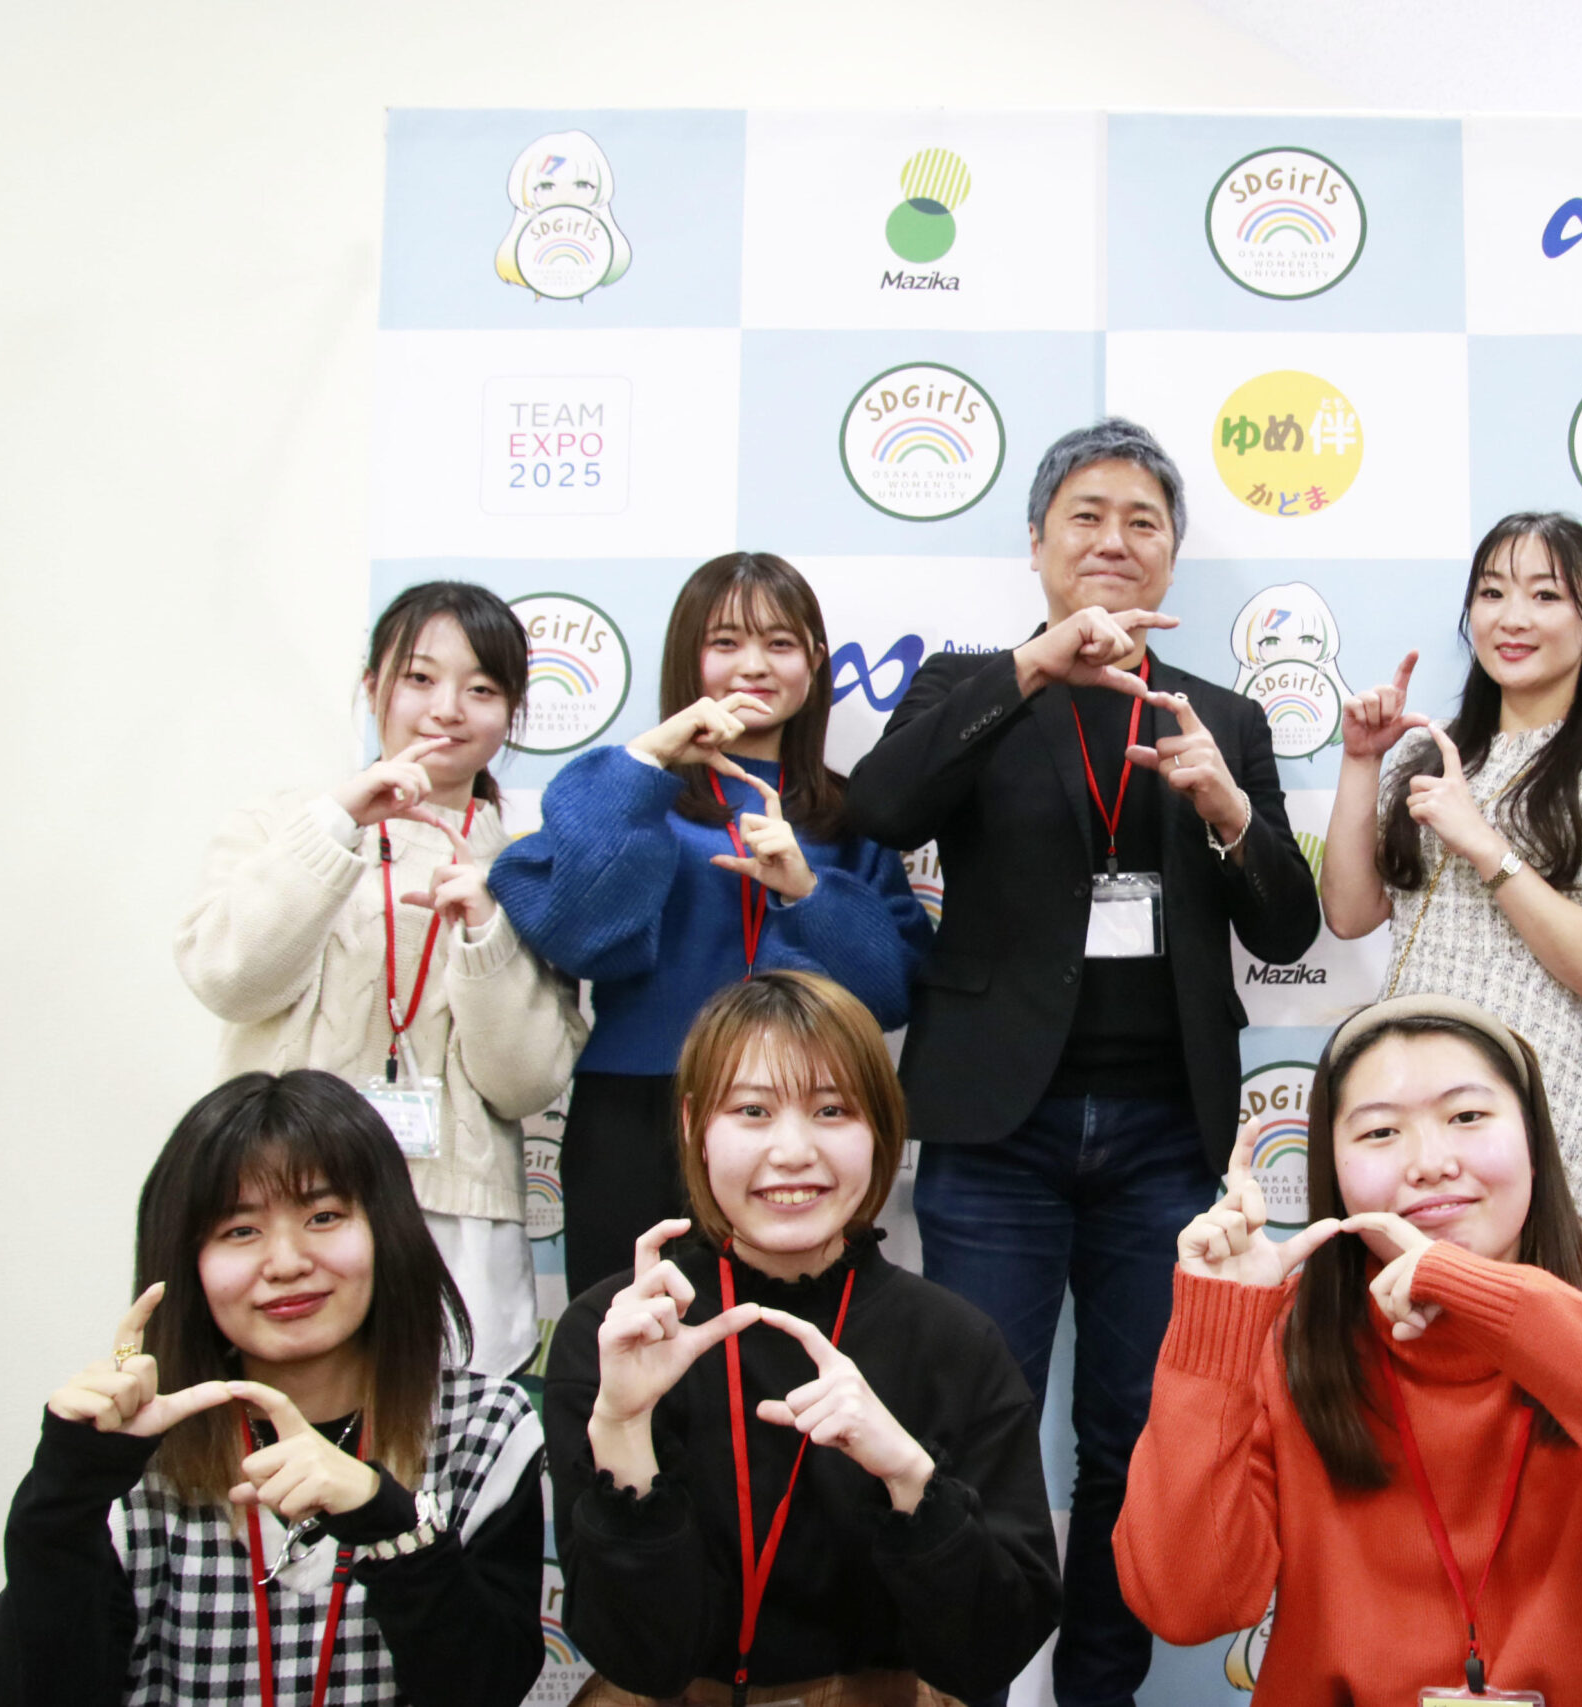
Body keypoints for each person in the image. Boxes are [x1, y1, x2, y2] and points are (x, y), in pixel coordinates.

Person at [841, 418, 1320, 1707]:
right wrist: (1028, 673)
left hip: (1165, 1135)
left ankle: (1100, 1694)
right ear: (1038, 543)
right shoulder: (967, 687)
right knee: (971, 1434)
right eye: (1086, 517)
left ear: (1170, 551)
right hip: (999, 1132)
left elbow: (1286, 928)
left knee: (1130, 1440)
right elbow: (878, 810)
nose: (1114, 540)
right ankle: (971, 1688)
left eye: (1141, 521)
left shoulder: (1222, 714)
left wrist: (1227, 810)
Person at [1113, 993, 1582, 1703]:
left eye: (1467, 1117)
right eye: (1380, 1131)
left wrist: (1492, 1299)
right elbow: (1186, 1603)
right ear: (1332, 1171)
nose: (1430, 1162)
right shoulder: (1293, 1333)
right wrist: (1216, 1329)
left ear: (1534, 1143)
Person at [543, 971, 1059, 1706]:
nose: (792, 1151)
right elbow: (641, 1660)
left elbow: (991, 1653)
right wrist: (623, 1428)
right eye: (752, 1110)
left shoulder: (955, 1343)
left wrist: (911, 1478)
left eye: (831, 1110)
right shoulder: (618, 1332)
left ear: (881, 1127)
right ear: (693, 1124)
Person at [0, 1070, 546, 1707]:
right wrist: (65, 1495)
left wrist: (389, 1522)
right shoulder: (128, 1448)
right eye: (240, 1231)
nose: (287, 1263)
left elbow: (486, 1690)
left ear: (387, 1231)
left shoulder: (485, 1429)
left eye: (324, 1216)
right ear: (187, 1261)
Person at [492, 552, 933, 1296]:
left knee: (789, 1338)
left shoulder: (850, 814)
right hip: (640, 1109)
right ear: (686, 658)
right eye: (726, 642)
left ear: (815, 661)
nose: (753, 666)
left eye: (780, 643)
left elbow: (890, 992)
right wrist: (648, 761)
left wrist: (806, 890)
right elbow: (578, 932)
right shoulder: (632, 788)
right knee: (631, 1330)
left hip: (801, 1113)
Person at [175, 580, 585, 1375]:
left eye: (482, 689)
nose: (446, 709)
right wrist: (338, 826)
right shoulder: (282, 824)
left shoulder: (529, 870)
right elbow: (229, 979)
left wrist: (486, 931)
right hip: (277, 1204)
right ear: (373, 688)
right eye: (420, 678)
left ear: (512, 712)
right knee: (273, 1428)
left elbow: (524, 1083)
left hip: (457, 1217)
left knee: (445, 1439)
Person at [1323, 511, 1582, 1233]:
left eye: (1545, 595)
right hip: (1407, 1086)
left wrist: (1483, 842)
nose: (1513, 618)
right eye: (1491, 593)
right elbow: (1350, 915)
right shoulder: (1427, 753)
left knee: (1541, 1297)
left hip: (1532, 1092)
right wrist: (1362, 760)